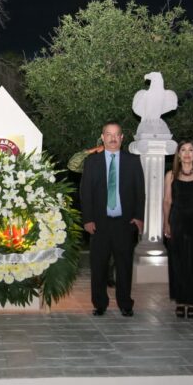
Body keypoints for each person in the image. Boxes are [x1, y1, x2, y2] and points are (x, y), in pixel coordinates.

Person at [80, 121, 145, 317]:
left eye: (117, 134)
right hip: (99, 224)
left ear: (122, 138)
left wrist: (139, 217)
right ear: (102, 137)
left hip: (124, 224)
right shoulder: (92, 162)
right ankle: (100, 303)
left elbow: (140, 192)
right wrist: (88, 219)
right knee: (98, 265)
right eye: (109, 134)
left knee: (124, 266)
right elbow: (86, 193)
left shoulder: (133, 161)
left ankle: (125, 303)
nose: (113, 138)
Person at [163, 139, 193, 319]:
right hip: (177, 220)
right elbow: (167, 201)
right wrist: (166, 223)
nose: (186, 153)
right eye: (183, 150)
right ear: (178, 154)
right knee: (178, 262)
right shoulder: (170, 175)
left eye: (190, 150)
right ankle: (181, 301)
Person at [67, 139, 117, 288]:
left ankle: (110, 275)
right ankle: (101, 275)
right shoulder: (91, 163)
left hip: (116, 209)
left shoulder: (118, 160)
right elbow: (72, 164)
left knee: (114, 245)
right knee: (99, 246)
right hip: (96, 211)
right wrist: (92, 150)